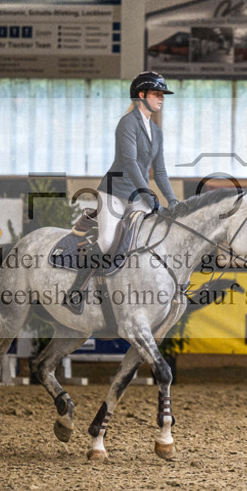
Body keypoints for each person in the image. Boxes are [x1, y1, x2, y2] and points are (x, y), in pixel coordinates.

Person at [63, 71, 180, 313]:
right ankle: (76, 291)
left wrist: (173, 200)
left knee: (152, 237)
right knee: (106, 241)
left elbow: (159, 171)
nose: (161, 98)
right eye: (157, 94)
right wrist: (148, 195)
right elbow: (130, 163)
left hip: (138, 195)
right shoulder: (127, 123)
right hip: (114, 191)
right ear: (141, 95)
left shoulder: (156, 132)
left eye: (162, 94)